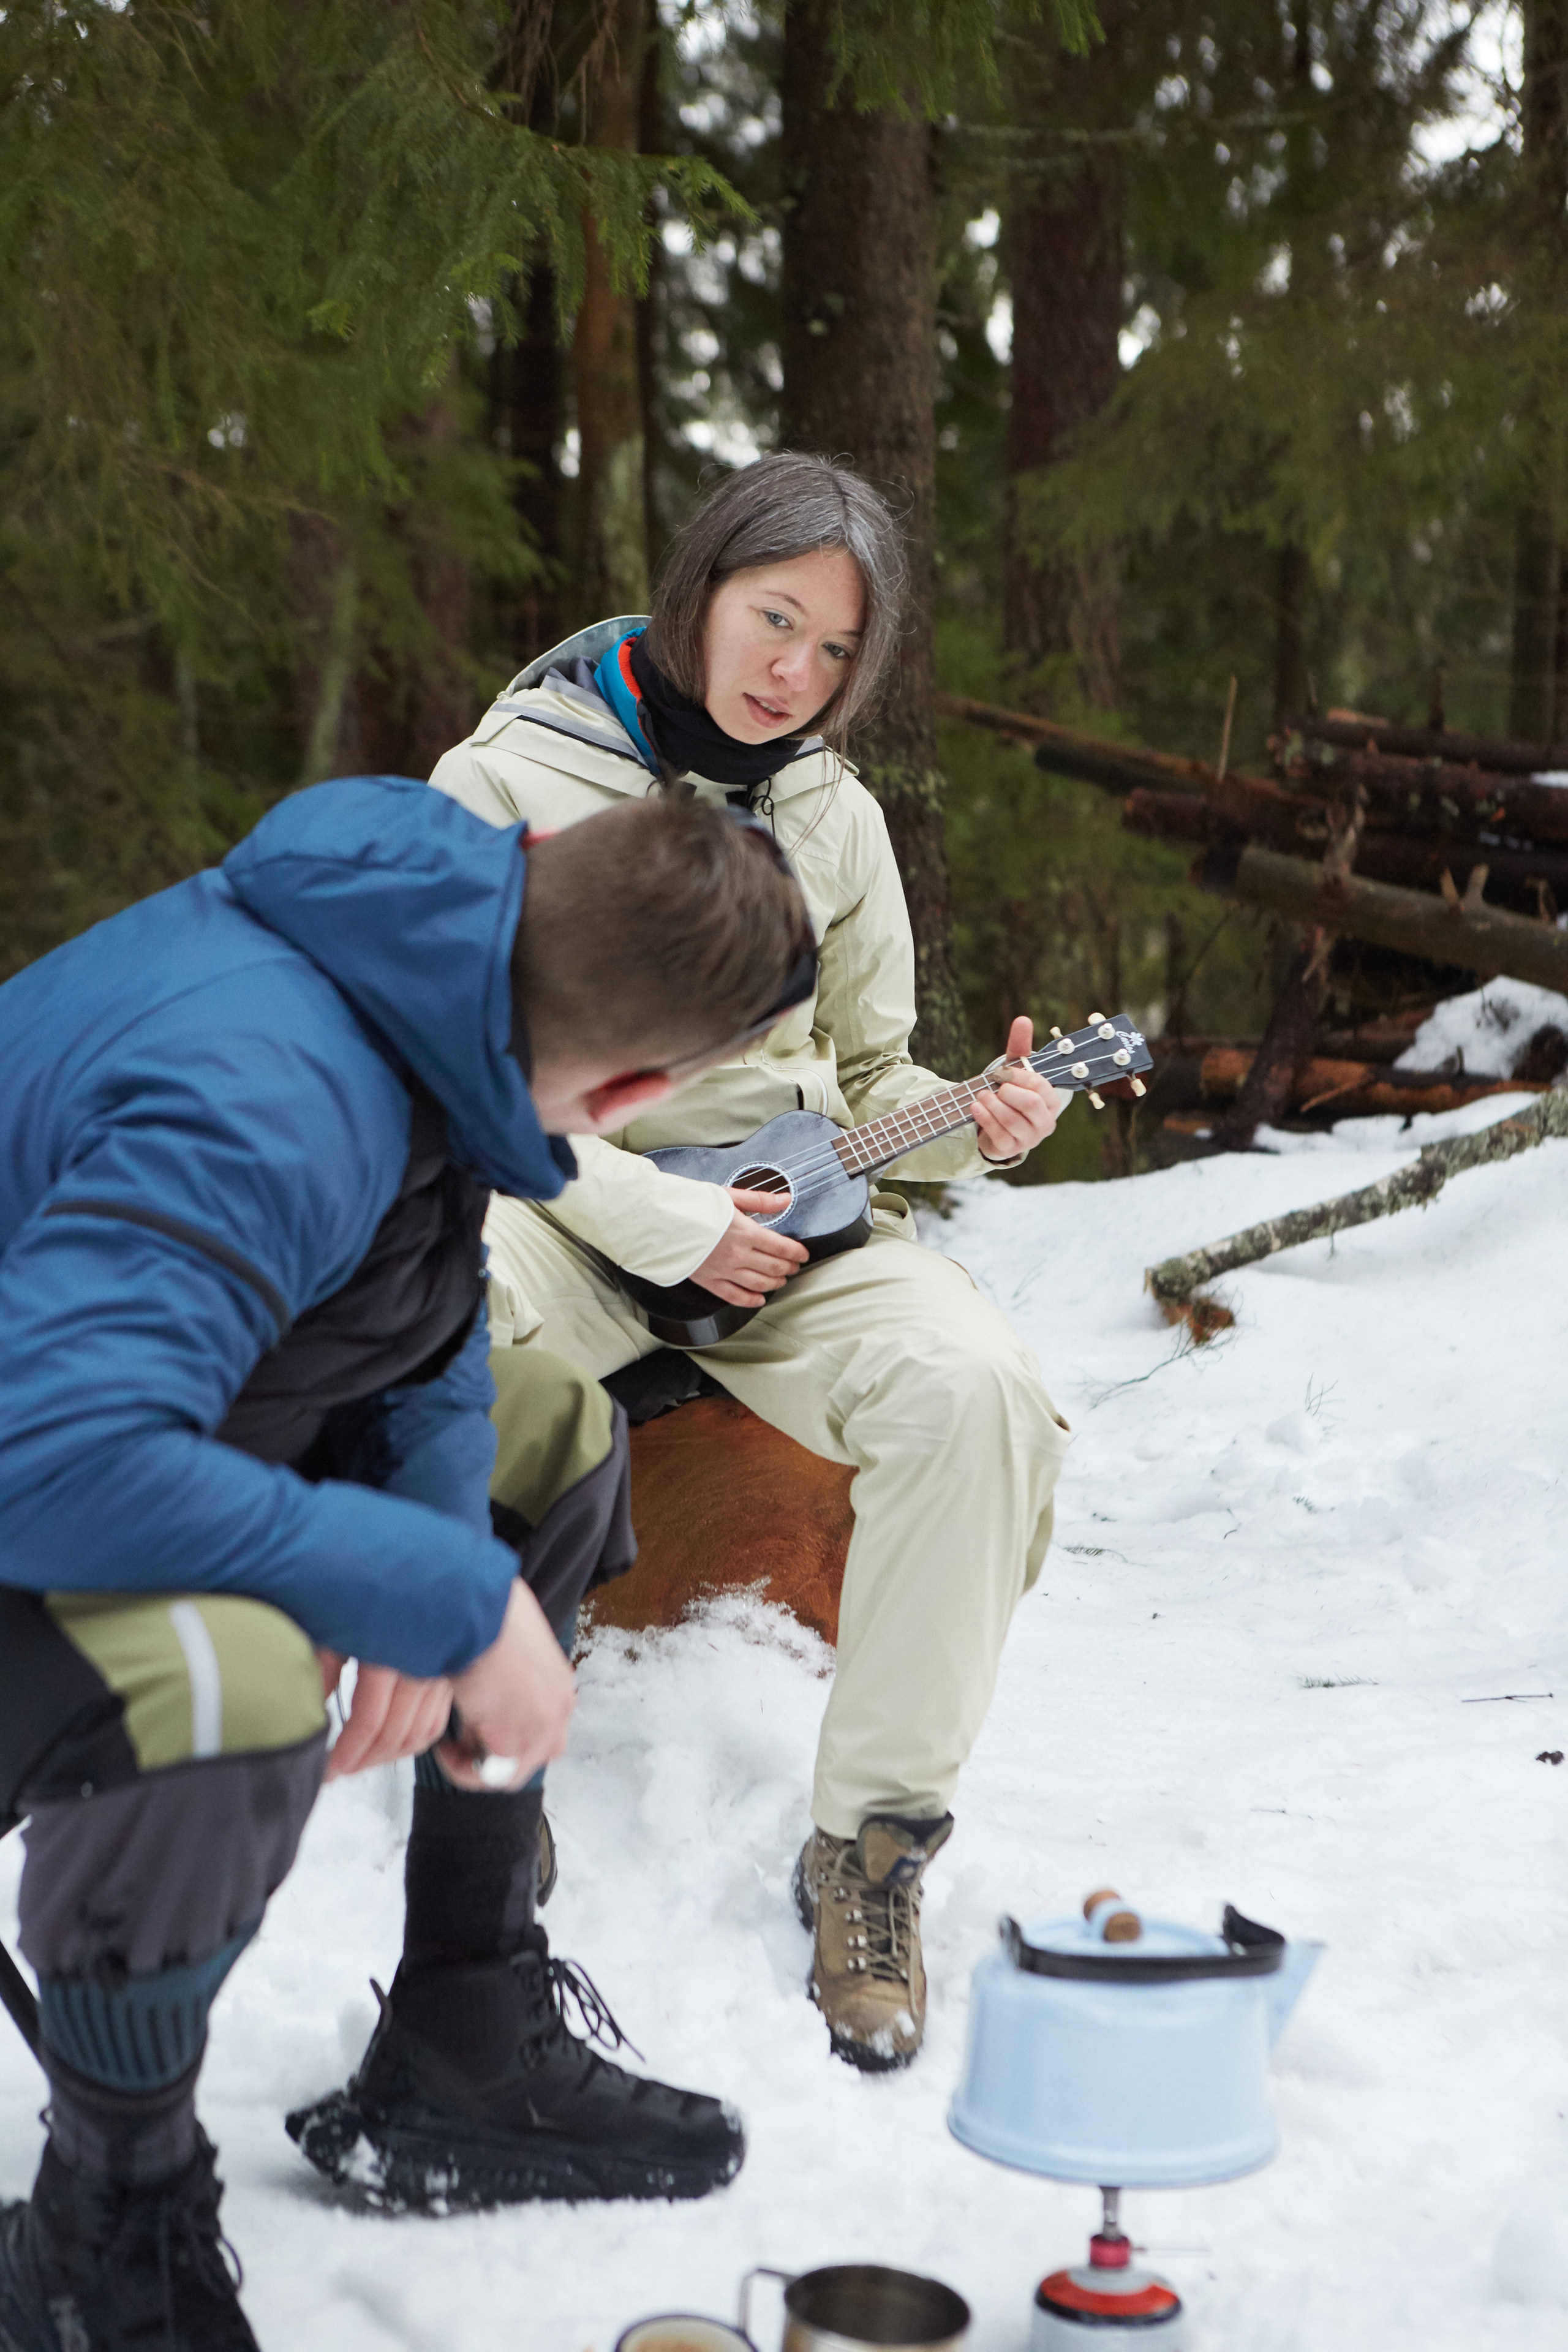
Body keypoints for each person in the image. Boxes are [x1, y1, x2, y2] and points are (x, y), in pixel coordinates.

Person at [0, 777, 813, 2348]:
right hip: (42, 1462)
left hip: (85, 1425)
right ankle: (107, 2234)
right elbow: (53, 1462)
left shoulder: (429, 959)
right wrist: (420, 1594)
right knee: (233, 1676)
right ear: (639, 1091)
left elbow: (416, 1313)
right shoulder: (265, 1093)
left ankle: (463, 2038)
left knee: (551, 1441)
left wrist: (443, 1560)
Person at [421, 452, 1074, 2076]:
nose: (797, 671)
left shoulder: (834, 815)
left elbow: (869, 1085)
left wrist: (971, 1120)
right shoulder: (509, 780)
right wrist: (662, 1227)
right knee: (454, 1300)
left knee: (976, 1389)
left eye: (837, 650)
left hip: (794, 1228)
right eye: (775, 617)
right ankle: (491, 1752)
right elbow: (456, 1070)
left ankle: (869, 1850)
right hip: (573, 1202)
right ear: (702, 586)